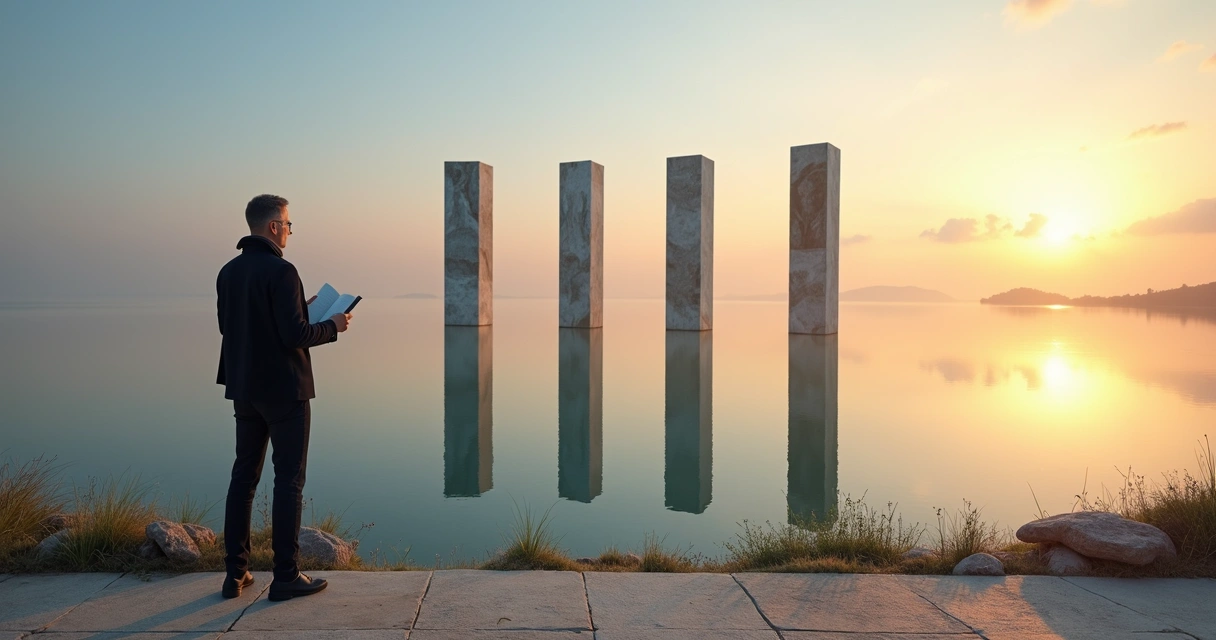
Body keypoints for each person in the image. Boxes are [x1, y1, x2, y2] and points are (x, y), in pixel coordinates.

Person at [215, 194, 352, 601]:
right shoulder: (283, 271)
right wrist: (332, 325)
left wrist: (299, 309)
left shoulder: (228, 272)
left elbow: (232, 327)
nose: (290, 231)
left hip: (245, 390)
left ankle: (234, 574)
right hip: (285, 391)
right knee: (288, 481)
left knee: (243, 478)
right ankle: (286, 576)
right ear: (274, 226)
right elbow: (295, 336)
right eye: (289, 224)